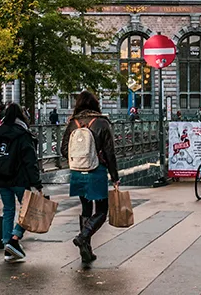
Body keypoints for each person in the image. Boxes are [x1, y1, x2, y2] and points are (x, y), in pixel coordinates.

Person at [61, 91, 119, 268]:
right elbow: (109, 152)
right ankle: (83, 237)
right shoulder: (102, 122)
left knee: (86, 208)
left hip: (78, 171)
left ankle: (86, 251)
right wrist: (114, 176)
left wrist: (78, 156)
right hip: (96, 171)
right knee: (102, 210)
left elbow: (64, 150)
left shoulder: (73, 123)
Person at [0, 103, 42, 263]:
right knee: (29, 209)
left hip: (1, 179)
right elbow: (30, 161)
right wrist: (37, 183)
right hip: (19, 179)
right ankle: (14, 239)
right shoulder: (23, 134)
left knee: (8, 210)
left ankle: (7, 247)